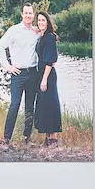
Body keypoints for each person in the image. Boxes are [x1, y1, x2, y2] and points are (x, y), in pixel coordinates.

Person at [0, 1, 40, 147]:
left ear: (33, 14)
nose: (28, 15)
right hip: (18, 74)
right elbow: (0, 47)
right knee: (14, 104)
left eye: (30, 13)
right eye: (26, 12)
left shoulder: (36, 32)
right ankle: (6, 139)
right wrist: (7, 66)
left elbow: (47, 38)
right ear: (22, 14)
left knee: (29, 106)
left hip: (33, 73)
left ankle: (27, 138)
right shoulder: (14, 30)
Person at [33, 8, 61, 147]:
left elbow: (50, 60)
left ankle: (53, 139)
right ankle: (48, 137)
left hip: (48, 76)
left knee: (51, 105)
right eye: (39, 20)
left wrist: (44, 79)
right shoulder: (42, 36)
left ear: (47, 22)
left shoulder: (49, 36)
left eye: (43, 20)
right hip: (42, 74)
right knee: (45, 105)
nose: (40, 22)